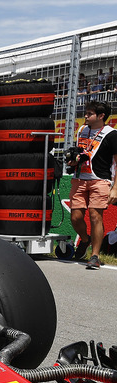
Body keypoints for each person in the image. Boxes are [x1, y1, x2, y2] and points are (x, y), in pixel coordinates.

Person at [67, 100, 117, 269]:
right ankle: (85, 239)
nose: (85, 116)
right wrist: (73, 160)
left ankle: (95, 256)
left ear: (101, 116)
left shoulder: (112, 134)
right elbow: (81, 153)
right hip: (79, 178)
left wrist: (115, 188)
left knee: (96, 216)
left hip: (100, 180)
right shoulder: (82, 130)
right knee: (75, 217)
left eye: (89, 114)